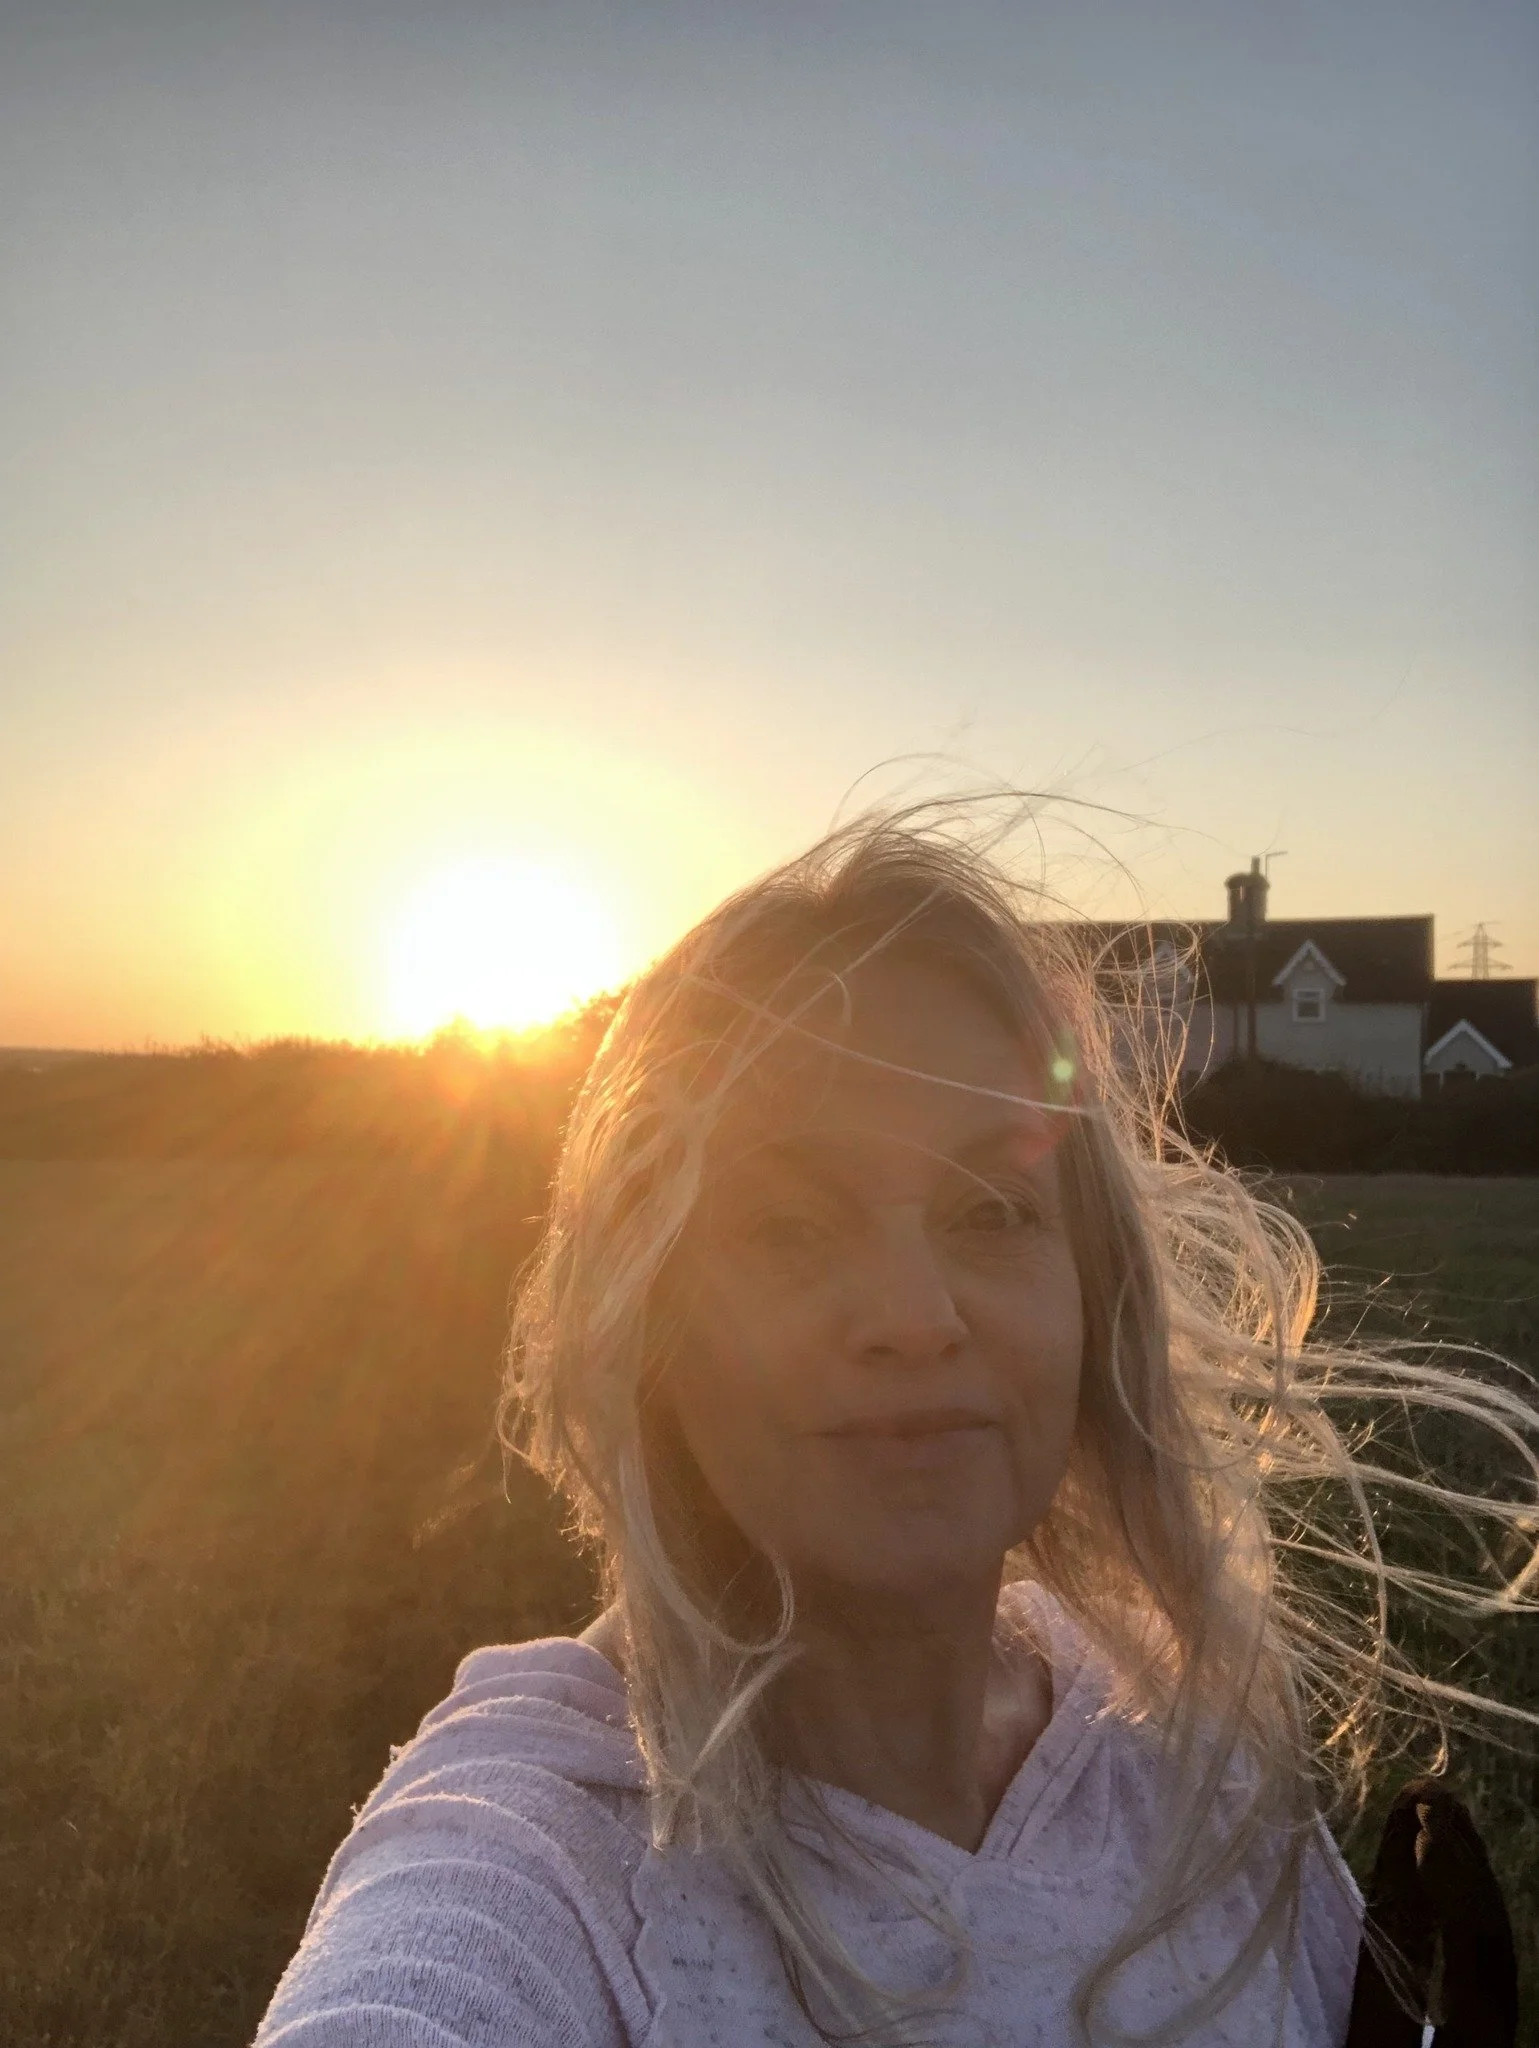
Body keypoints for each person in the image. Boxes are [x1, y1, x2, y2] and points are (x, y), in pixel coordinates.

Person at [254, 809, 1537, 2047]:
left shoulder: (1191, 1752)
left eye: (992, 1208)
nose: (916, 1316)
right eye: (788, 1226)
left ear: (1092, 1295)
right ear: (653, 1326)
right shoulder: (538, 1841)